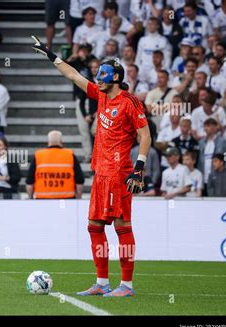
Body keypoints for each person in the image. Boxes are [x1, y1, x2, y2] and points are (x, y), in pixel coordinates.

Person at [32, 37, 151, 297]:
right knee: (94, 227)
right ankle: (102, 282)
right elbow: (74, 76)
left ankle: (127, 286)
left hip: (119, 173)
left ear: (116, 78)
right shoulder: (101, 95)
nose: (98, 78)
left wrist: (139, 168)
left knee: (122, 227)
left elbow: (145, 136)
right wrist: (51, 56)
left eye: (103, 75)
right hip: (101, 173)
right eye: (98, 74)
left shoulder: (130, 103)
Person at [26, 130, 84, 200]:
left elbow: (29, 181)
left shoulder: (38, 155)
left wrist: (30, 197)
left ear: (48, 142)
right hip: (67, 200)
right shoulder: (70, 155)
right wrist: (79, 197)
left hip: (42, 200)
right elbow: (79, 180)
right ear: (61, 141)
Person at [197, 118, 226, 195]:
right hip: (203, 174)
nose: (206, 128)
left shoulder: (222, 142)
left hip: (217, 175)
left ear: (215, 127)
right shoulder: (201, 142)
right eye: (205, 126)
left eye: (208, 126)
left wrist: (225, 168)